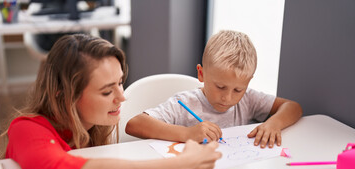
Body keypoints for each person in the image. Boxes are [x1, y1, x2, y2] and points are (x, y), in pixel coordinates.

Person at [3, 34, 222, 169]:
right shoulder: (25, 130)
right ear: (64, 95)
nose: (122, 97)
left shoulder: (91, 129)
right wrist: (183, 165)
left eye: (120, 82)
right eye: (107, 92)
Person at [125, 30, 303, 148]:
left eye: (238, 90)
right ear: (201, 74)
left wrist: (274, 123)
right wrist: (187, 133)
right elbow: (134, 125)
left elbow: (293, 107)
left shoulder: (248, 99)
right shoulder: (184, 102)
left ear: (248, 83)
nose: (227, 98)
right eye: (220, 87)